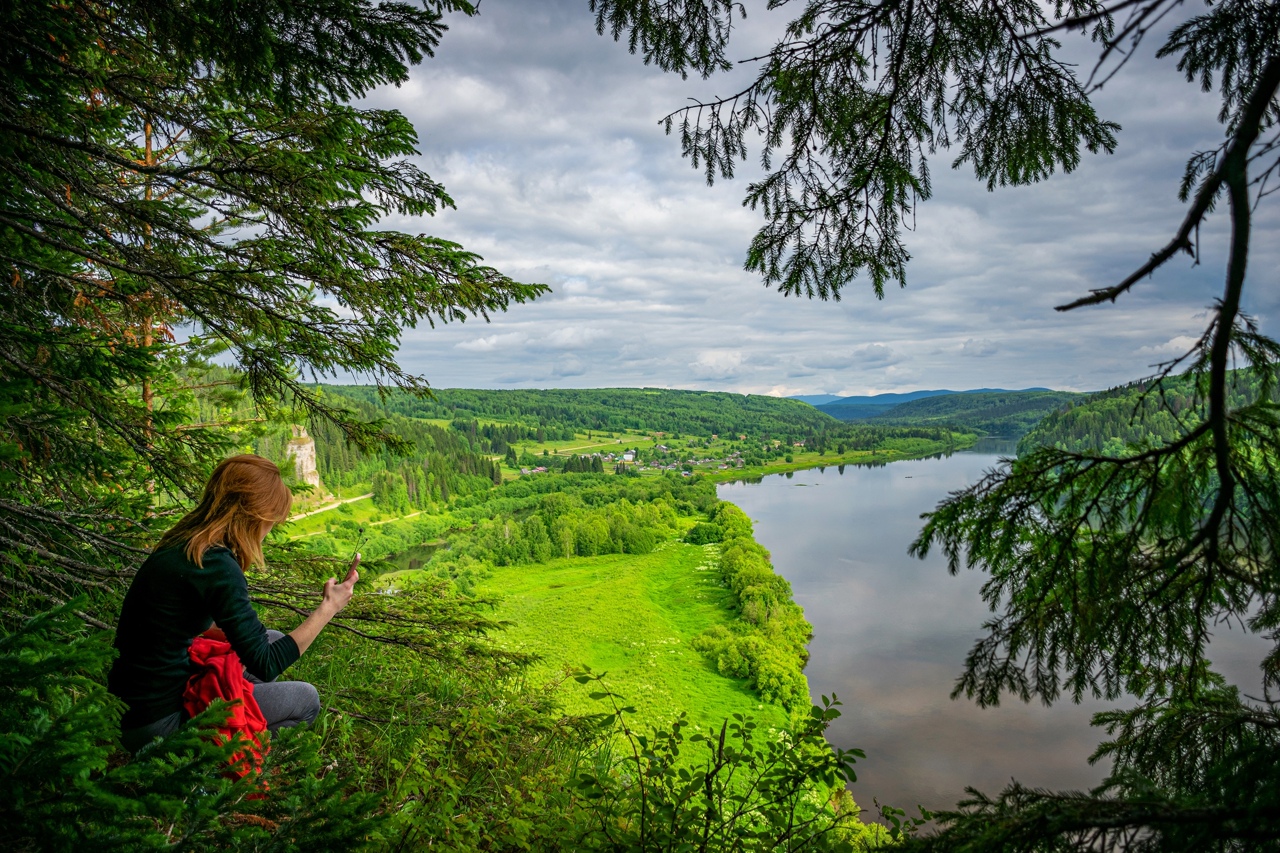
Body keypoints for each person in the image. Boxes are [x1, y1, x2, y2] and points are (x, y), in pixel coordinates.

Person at [109, 454, 358, 754]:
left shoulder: (187, 541)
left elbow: (189, 624)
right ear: (254, 516)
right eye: (271, 523)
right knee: (307, 700)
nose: (268, 532)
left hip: (131, 706)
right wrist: (328, 607)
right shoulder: (216, 565)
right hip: (157, 725)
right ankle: (226, 770)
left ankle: (230, 737)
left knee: (273, 639)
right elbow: (265, 664)